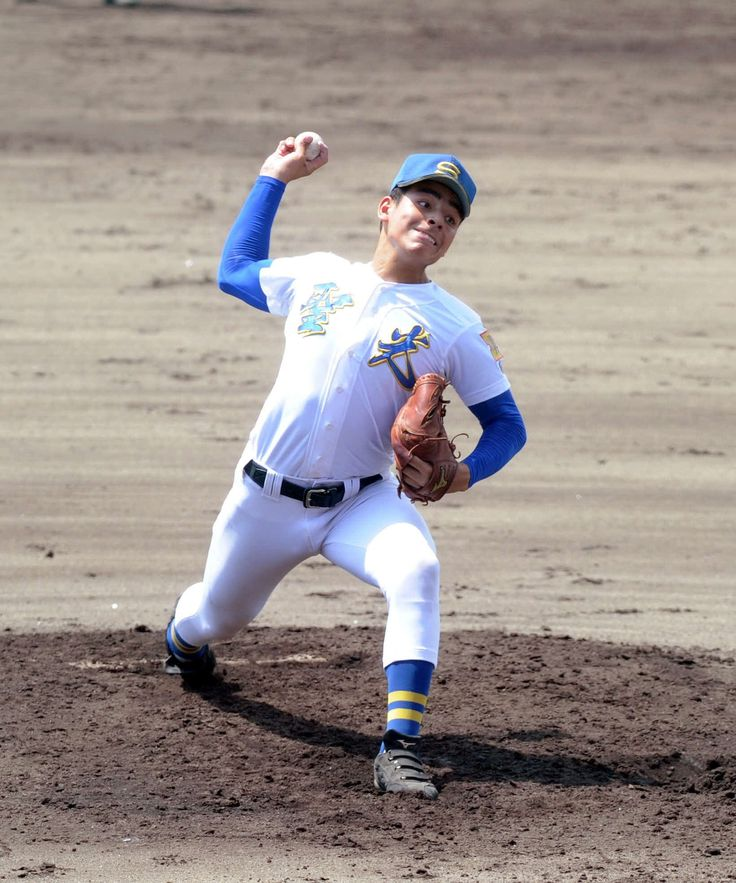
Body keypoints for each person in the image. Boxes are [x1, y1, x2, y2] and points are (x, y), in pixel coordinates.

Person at [164, 134, 527, 799]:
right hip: (264, 500)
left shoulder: (453, 325)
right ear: (385, 209)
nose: (435, 220)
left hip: (362, 501)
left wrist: (465, 472)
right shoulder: (319, 276)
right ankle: (183, 641)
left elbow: (509, 425)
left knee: (417, 568)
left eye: (449, 216)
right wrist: (275, 175)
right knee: (214, 617)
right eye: (424, 203)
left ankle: (400, 745)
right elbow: (235, 269)